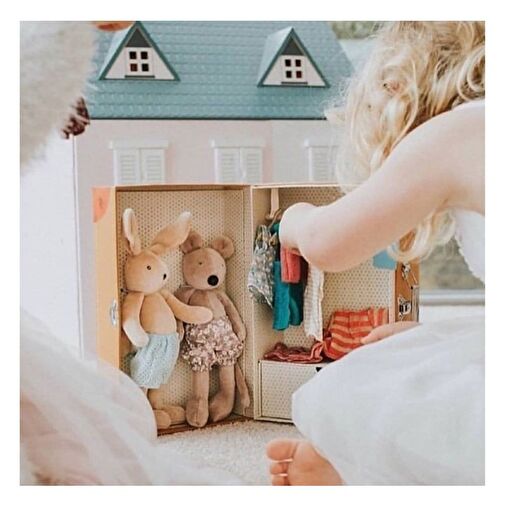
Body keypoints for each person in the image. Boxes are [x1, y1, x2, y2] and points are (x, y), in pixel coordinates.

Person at [20, 21, 240, 485]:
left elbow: (187, 307)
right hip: (164, 344)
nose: (160, 273)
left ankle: (213, 403)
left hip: (188, 339)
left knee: (212, 376)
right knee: (140, 392)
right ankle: (182, 406)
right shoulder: (144, 292)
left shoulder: (173, 291)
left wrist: (211, 318)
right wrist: (138, 330)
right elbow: (134, 316)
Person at [267, 21, 484, 485]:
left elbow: (328, 244)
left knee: (358, 388)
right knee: (423, 352)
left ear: (398, 84)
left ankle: (351, 467)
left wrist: (294, 221)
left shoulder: (456, 132)